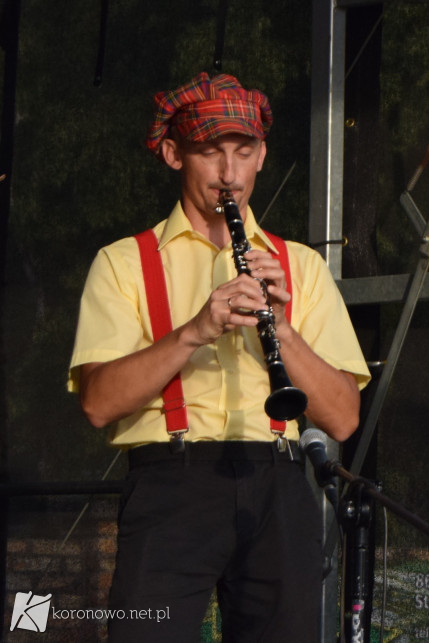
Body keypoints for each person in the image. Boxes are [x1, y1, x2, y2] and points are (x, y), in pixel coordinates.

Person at [67, 72, 370, 642]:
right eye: (210, 152)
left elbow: (343, 417)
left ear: (261, 156)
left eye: (243, 151)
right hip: (171, 482)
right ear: (172, 153)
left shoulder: (299, 264)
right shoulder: (124, 262)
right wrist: (196, 330)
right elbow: (98, 404)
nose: (229, 173)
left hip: (278, 480)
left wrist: (282, 327)